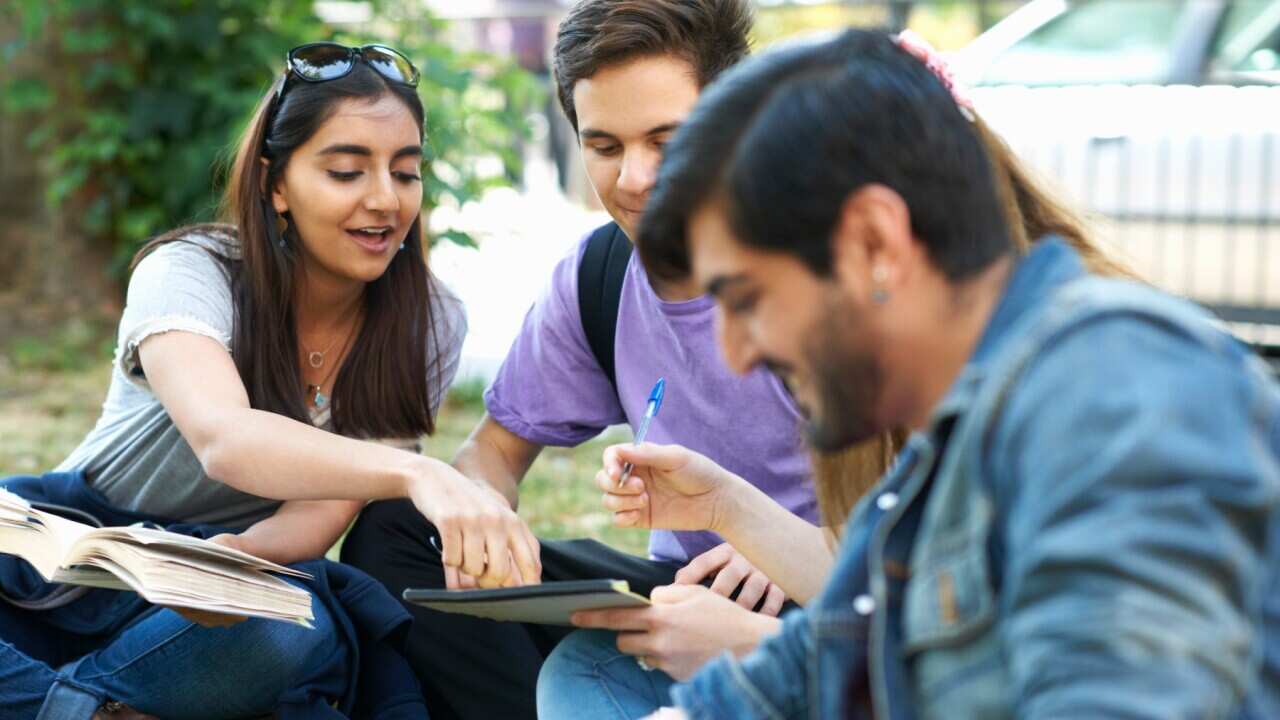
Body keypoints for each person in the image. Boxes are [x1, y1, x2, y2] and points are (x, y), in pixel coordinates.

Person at [570, 28, 1278, 719]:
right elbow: (821, 660)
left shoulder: (1113, 402)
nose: (736, 353)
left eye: (749, 299)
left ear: (875, 242)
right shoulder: (947, 447)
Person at [339, 2, 821, 718]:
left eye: (667, 140)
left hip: (834, 596)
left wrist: (786, 551)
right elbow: (492, 455)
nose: (634, 178)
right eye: (605, 146)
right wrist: (479, 518)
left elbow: (935, 524)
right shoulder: (600, 276)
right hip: (678, 590)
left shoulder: (832, 264)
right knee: (399, 532)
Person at [0, 41, 509, 718]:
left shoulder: (430, 320)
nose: (385, 199)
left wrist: (232, 559)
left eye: (406, 172)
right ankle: (97, 709)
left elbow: (321, 512)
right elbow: (225, 439)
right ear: (276, 185)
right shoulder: (189, 272)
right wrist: (417, 472)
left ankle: (55, 703)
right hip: (73, 558)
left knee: (291, 624)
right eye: (347, 172)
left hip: (217, 582)